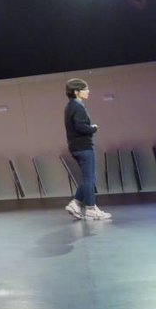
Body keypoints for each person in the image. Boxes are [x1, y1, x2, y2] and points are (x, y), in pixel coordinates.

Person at [64, 78, 111, 220]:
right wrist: (93, 128)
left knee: (87, 177)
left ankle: (76, 203)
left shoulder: (70, 106)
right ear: (76, 92)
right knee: (90, 178)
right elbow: (80, 126)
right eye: (85, 89)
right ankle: (91, 208)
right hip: (84, 147)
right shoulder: (78, 106)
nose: (88, 91)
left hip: (76, 147)